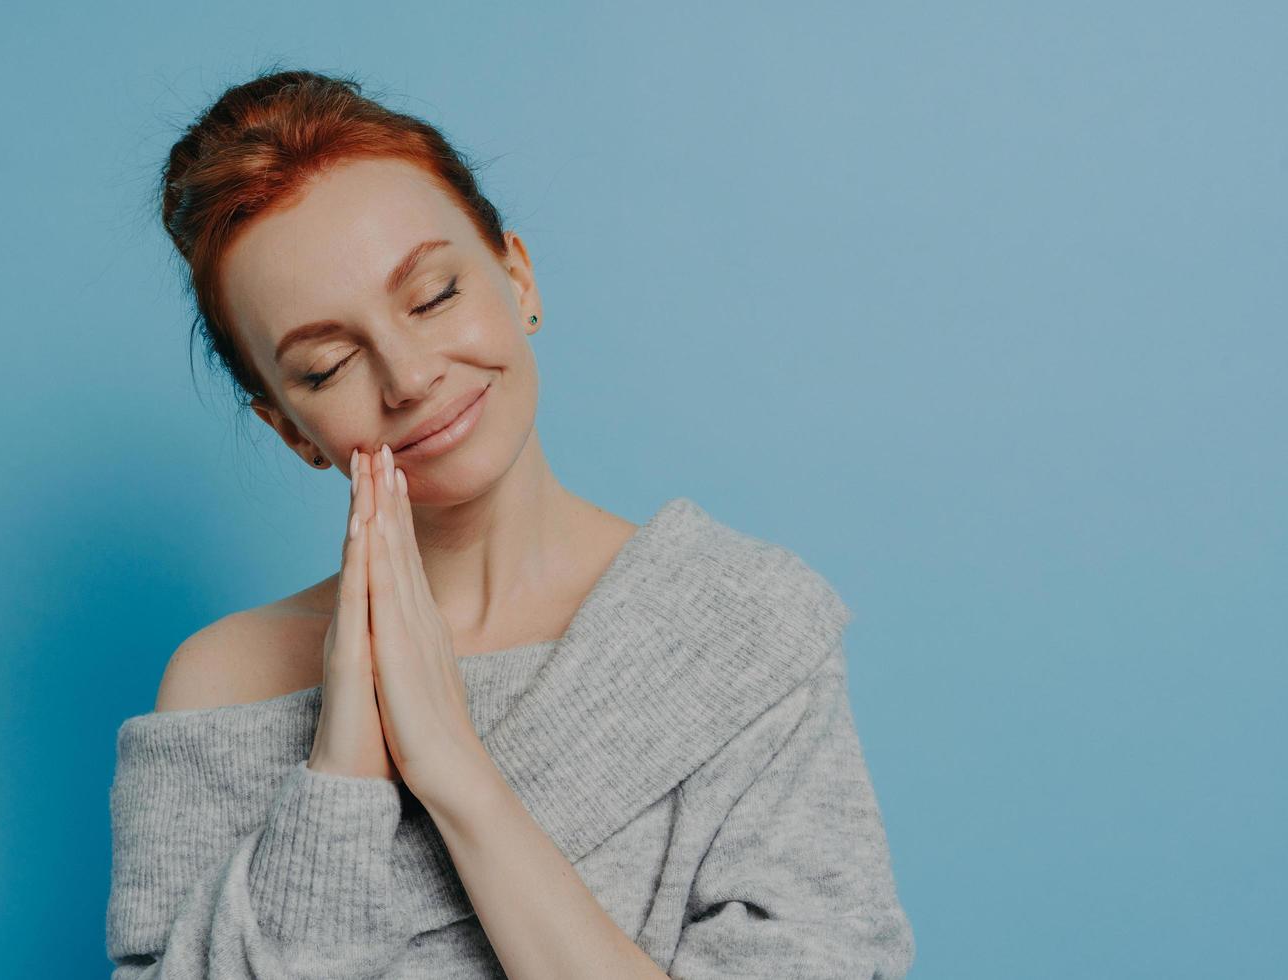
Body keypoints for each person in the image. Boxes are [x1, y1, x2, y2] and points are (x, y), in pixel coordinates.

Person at [107, 68, 915, 979]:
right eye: (329, 366)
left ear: (517, 275)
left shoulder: (748, 631)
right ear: (290, 430)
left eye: (433, 296)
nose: (409, 378)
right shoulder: (226, 690)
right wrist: (340, 770)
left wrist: (455, 770)